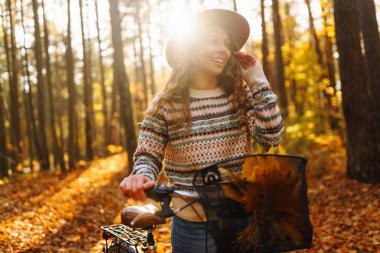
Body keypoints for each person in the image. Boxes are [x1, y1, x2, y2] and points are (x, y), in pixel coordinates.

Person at [120, 9, 285, 253]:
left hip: (244, 218)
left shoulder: (241, 97)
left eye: (227, 44)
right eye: (213, 41)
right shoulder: (166, 103)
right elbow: (148, 155)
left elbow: (271, 136)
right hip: (193, 223)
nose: (223, 50)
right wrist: (142, 174)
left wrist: (258, 81)